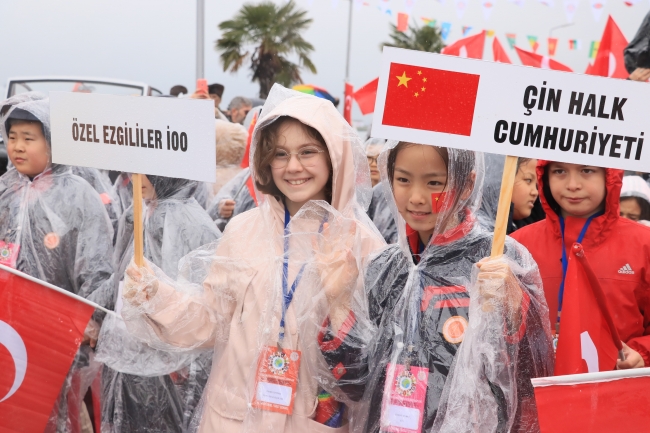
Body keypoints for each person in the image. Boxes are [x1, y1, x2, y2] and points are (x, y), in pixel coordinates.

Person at [119, 84, 385, 432]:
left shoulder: (362, 245)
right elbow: (212, 319)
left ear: (335, 156)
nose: (293, 166)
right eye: (280, 154)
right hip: (233, 419)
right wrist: (156, 296)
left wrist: (339, 302)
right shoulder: (243, 229)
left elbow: (371, 365)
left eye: (308, 152)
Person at [312, 142, 554, 432]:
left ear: (467, 185)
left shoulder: (499, 260)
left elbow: (530, 376)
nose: (416, 197)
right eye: (403, 179)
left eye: (434, 183)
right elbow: (357, 384)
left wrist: (512, 311)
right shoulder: (383, 268)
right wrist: (339, 301)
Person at [0, 92, 114, 432]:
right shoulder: (5, 191)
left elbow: (95, 265)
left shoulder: (77, 194)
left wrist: (92, 318)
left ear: (52, 142)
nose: (17, 147)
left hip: (57, 330)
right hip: (9, 326)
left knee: (55, 413)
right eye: (12, 137)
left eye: (29, 138)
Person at [98, 175, 221, 433]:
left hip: (172, 364)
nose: (137, 177)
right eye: (135, 170)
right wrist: (95, 313)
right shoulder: (137, 213)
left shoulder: (190, 222)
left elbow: (205, 307)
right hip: (129, 352)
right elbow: (120, 274)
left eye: (147, 172)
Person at [511, 161, 650, 370]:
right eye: (559, 171)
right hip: (538, 385)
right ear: (545, 176)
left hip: (616, 384)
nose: (573, 185)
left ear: (609, 175)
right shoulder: (518, 245)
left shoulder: (644, 244)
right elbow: (501, 330)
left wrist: (642, 353)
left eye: (587, 171)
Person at [508, 158, 540, 234]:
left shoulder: (527, 230)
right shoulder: (484, 230)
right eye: (528, 180)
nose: (536, 192)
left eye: (536, 186)